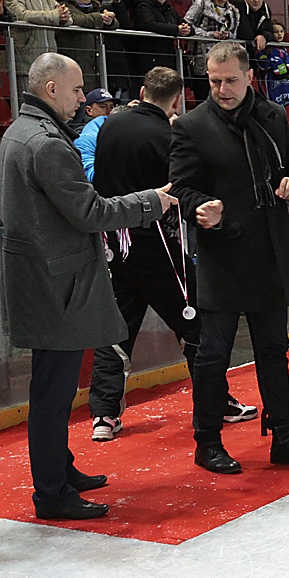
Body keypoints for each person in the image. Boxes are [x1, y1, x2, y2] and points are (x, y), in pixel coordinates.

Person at [0, 52, 175, 520]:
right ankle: (52, 492)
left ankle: (58, 469)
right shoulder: (47, 144)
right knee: (53, 394)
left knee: (51, 390)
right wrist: (149, 203)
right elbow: (90, 212)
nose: (83, 98)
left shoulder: (19, 132)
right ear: (51, 88)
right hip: (56, 284)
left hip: (43, 279)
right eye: (77, 89)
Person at [168, 41, 289, 474]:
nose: (221, 88)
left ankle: (286, 436)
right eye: (213, 80)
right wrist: (200, 206)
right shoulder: (190, 126)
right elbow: (181, 189)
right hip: (222, 259)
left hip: (269, 252)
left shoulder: (272, 116)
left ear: (249, 77)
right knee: (212, 357)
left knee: (274, 351)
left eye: (229, 80)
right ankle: (207, 442)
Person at [88, 66, 257, 442]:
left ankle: (103, 415)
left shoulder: (109, 125)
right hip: (159, 248)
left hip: (116, 244)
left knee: (115, 331)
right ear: (176, 99)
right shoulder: (168, 135)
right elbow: (181, 187)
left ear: (144, 90)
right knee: (196, 326)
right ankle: (217, 403)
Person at [6, 0, 73, 95]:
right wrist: (55, 15)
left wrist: (64, 17)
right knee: (28, 104)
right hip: (26, 61)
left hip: (50, 64)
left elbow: (68, 19)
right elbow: (20, 14)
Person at [56, 0, 119, 91]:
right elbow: (76, 19)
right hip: (73, 63)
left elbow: (116, 24)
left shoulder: (94, 8)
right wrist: (99, 17)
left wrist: (109, 21)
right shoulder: (64, 6)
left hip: (93, 67)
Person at [184, 0, 240, 103]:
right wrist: (209, 34)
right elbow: (186, 25)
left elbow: (235, 34)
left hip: (224, 58)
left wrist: (227, 34)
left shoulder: (234, 11)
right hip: (202, 57)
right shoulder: (201, 4)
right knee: (203, 96)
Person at [135, 0, 193, 74]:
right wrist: (176, 29)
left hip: (168, 56)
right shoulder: (144, 6)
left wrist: (187, 29)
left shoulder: (170, 9)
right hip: (150, 55)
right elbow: (150, 24)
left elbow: (185, 24)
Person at [230, 0, 273, 65]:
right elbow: (244, 33)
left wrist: (264, 36)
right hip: (235, 54)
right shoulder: (237, 3)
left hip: (253, 56)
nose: (256, 0)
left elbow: (271, 31)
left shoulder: (265, 8)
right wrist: (258, 37)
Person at [256, 19, 289, 106]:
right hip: (270, 84)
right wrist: (276, 65)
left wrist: (287, 69)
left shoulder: (284, 49)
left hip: (283, 84)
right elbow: (263, 64)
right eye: (276, 32)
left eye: (281, 31)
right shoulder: (265, 49)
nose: (279, 34)